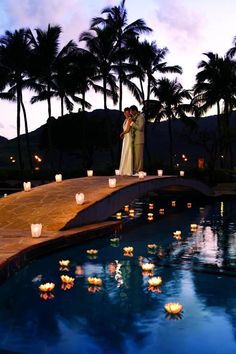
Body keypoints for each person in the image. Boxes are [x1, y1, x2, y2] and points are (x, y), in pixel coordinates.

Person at [130, 105, 145, 174]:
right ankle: (135, 170)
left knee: (139, 157)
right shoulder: (134, 117)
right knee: (136, 157)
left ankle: (139, 171)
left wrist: (133, 124)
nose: (130, 113)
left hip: (139, 139)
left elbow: (140, 128)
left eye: (131, 111)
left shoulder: (141, 117)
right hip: (135, 139)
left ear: (135, 111)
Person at [119, 107, 133, 176]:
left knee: (128, 152)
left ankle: (128, 170)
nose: (127, 114)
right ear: (124, 113)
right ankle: (124, 170)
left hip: (128, 136)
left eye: (128, 113)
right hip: (125, 137)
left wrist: (122, 133)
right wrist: (123, 135)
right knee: (124, 152)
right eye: (125, 113)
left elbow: (128, 129)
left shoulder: (130, 119)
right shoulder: (125, 120)